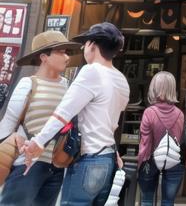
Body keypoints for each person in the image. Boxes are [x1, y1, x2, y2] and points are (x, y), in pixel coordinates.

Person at [22, 22, 130, 206]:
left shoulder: (91, 71)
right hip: (109, 159)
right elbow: (111, 123)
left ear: (93, 45)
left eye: (85, 43)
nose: (83, 47)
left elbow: (63, 112)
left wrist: (39, 141)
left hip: (89, 159)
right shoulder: (121, 80)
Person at [0, 30, 79, 206]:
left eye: (67, 52)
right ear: (44, 57)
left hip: (56, 166)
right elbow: (8, 124)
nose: (67, 57)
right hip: (26, 165)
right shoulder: (28, 84)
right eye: (61, 52)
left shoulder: (68, 86)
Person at [137, 71, 184, 206]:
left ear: (154, 88)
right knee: (168, 201)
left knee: (146, 199)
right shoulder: (180, 114)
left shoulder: (149, 112)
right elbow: (179, 139)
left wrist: (141, 164)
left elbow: (145, 143)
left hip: (149, 160)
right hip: (173, 160)